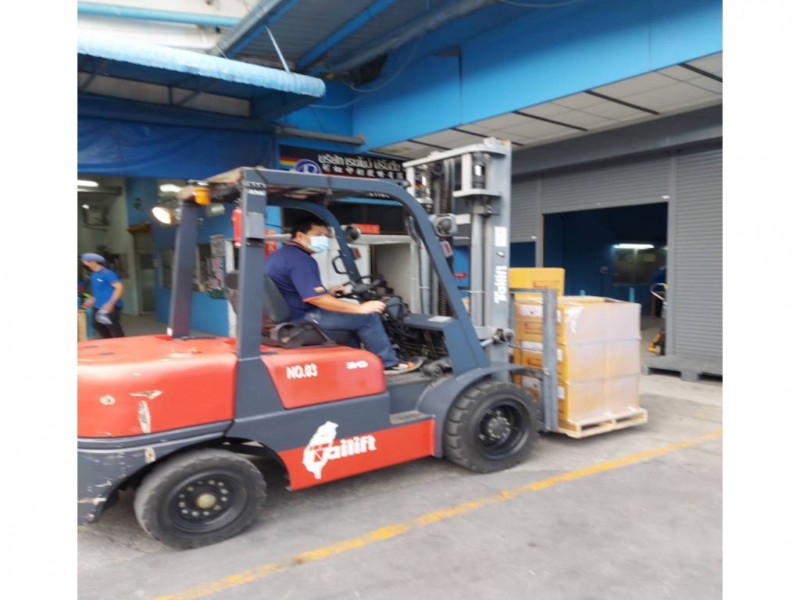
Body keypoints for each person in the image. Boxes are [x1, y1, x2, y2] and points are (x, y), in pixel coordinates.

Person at [264, 217, 419, 374]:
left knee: (350, 321)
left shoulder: (282, 255)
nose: (323, 239)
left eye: (325, 235)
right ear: (300, 236)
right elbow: (316, 298)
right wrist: (360, 309)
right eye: (318, 234)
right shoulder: (300, 259)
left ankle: (355, 365)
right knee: (368, 318)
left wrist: (328, 293)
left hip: (294, 313)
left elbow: (298, 290)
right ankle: (389, 363)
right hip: (304, 317)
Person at [80, 252, 126, 338]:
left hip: (110, 305)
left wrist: (111, 303)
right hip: (98, 305)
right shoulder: (93, 274)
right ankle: (109, 342)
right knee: (97, 325)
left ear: (93, 262)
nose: (85, 265)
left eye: (85, 263)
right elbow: (99, 290)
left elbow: (119, 288)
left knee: (113, 328)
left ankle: (122, 344)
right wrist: (92, 299)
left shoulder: (108, 273)